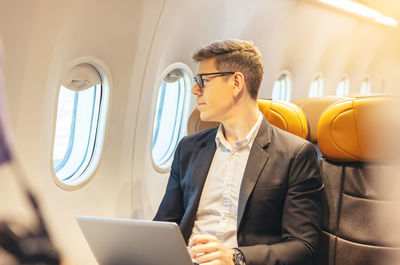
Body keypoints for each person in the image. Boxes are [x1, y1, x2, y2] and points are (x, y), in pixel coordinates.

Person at [154, 39, 323, 265]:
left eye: (203, 80)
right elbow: (164, 225)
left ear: (236, 83)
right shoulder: (189, 148)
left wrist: (235, 257)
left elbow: (304, 247)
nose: (195, 89)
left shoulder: (295, 154)